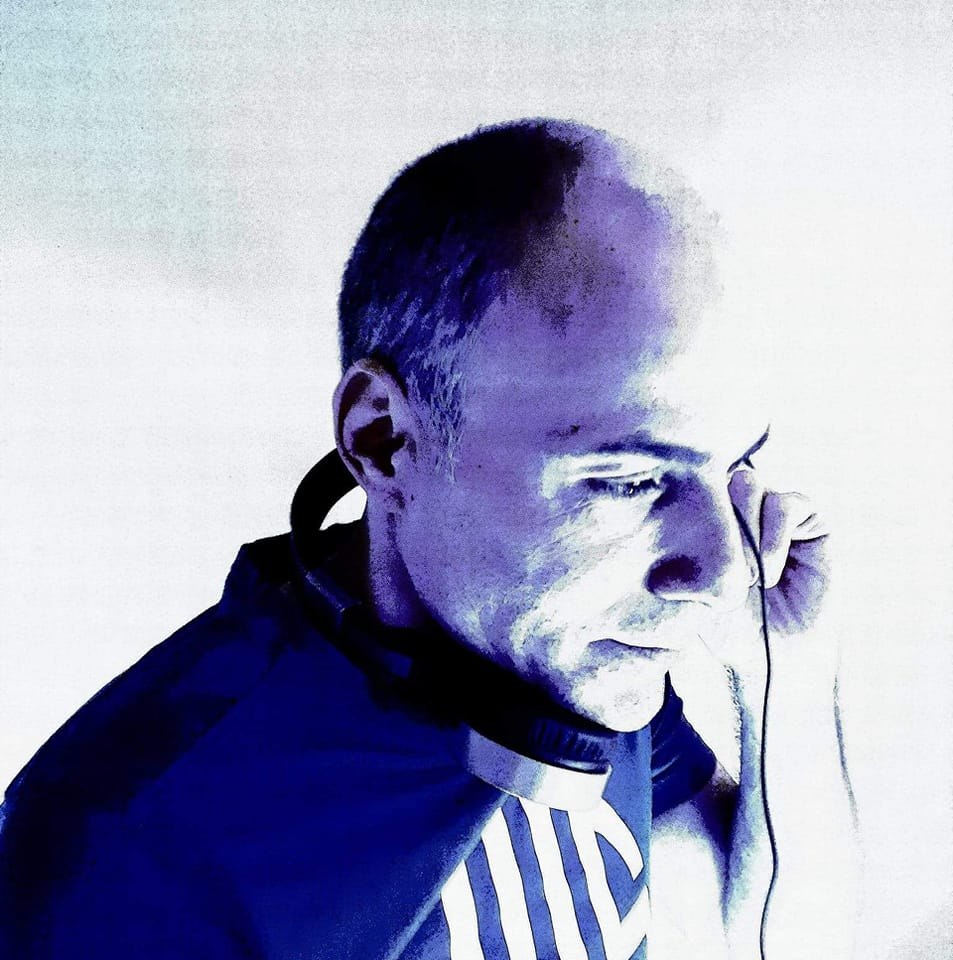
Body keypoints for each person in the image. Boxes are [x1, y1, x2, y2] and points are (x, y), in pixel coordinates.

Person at [0, 119, 855, 959]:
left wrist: (788, 672)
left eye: (734, 464)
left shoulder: (567, 654)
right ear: (382, 439)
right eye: (630, 481)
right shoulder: (134, 861)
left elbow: (772, 939)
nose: (722, 571)